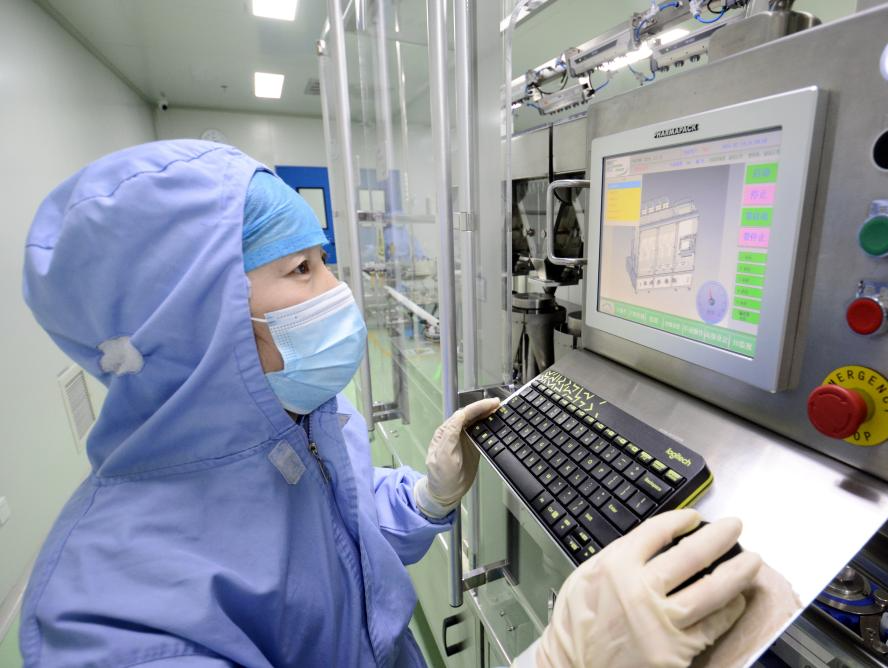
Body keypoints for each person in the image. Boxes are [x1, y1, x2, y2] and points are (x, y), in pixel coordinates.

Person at [20, 140, 761, 667]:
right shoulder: (110, 625)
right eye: (302, 268)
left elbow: (339, 537)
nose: (337, 288)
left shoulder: (299, 424)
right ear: (194, 320)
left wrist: (428, 496)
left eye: (325, 259)